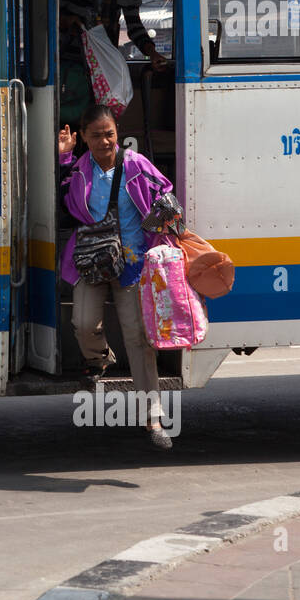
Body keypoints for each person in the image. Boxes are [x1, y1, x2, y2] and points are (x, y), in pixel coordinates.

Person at [58, 103, 178, 450]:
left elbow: (165, 197)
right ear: (84, 138)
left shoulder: (136, 165)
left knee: (138, 340)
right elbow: (65, 202)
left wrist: (166, 240)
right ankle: (99, 359)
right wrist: (64, 158)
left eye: (109, 133)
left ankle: (152, 416)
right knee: (82, 323)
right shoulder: (80, 170)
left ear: (117, 131)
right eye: (96, 136)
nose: (105, 141)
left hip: (132, 265)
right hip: (93, 262)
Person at [58, 0, 168, 133]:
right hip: (69, 65)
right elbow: (46, 17)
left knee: (99, 125)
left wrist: (152, 53)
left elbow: (134, 26)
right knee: (70, 124)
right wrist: (68, 21)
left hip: (103, 69)